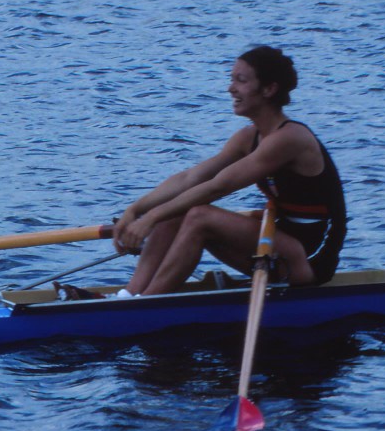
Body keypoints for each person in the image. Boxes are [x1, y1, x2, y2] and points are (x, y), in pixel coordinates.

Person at [112, 46, 347, 297]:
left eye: (241, 80)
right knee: (174, 212)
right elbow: (190, 178)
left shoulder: (290, 138)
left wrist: (150, 219)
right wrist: (136, 210)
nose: (230, 88)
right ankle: (129, 295)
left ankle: (146, 304)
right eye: (231, 79)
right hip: (279, 241)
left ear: (269, 89)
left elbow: (219, 186)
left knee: (198, 216)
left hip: (310, 256)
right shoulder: (248, 137)